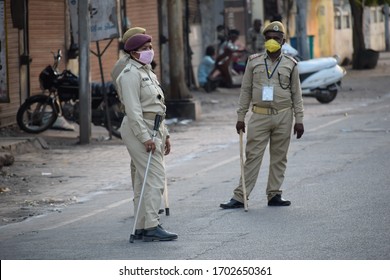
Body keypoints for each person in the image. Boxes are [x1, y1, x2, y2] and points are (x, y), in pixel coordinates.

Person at [220, 21, 304, 209]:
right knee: (252, 156)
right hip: (259, 115)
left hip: (284, 115)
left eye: (277, 38)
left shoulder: (291, 64)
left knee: (279, 157)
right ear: (264, 40)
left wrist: (299, 120)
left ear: (283, 41)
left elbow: (297, 94)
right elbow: (245, 90)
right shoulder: (254, 61)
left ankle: (274, 194)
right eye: (269, 38)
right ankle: (240, 196)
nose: (272, 41)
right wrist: (240, 117)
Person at [116, 33, 178, 241]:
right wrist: (145, 137)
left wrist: (165, 135)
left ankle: (142, 226)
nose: (150, 51)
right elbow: (133, 111)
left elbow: (158, 106)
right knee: (155, 177)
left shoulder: (148, 73)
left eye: (151, 46)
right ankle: (152, 225)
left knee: (145, 179)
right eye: (145, 48)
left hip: (155, 127)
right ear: (134, 53)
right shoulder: (129, 75)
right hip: (139, 130)